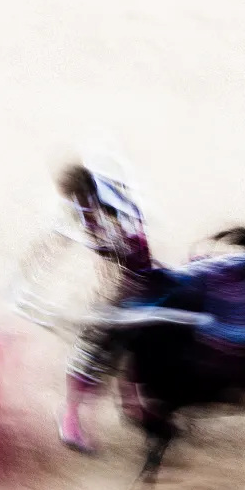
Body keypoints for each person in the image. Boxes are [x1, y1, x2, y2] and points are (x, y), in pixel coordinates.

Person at [53, 162, 153, 452]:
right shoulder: (100, 203)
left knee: (121, 345)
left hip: (135, 280)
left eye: (73, 197)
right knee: (103, 349)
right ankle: (72, 418)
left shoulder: (104, 211)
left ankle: (129, 405)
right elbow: (114, 254)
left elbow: (120, 251)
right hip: (133, 281)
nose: (74, 204)